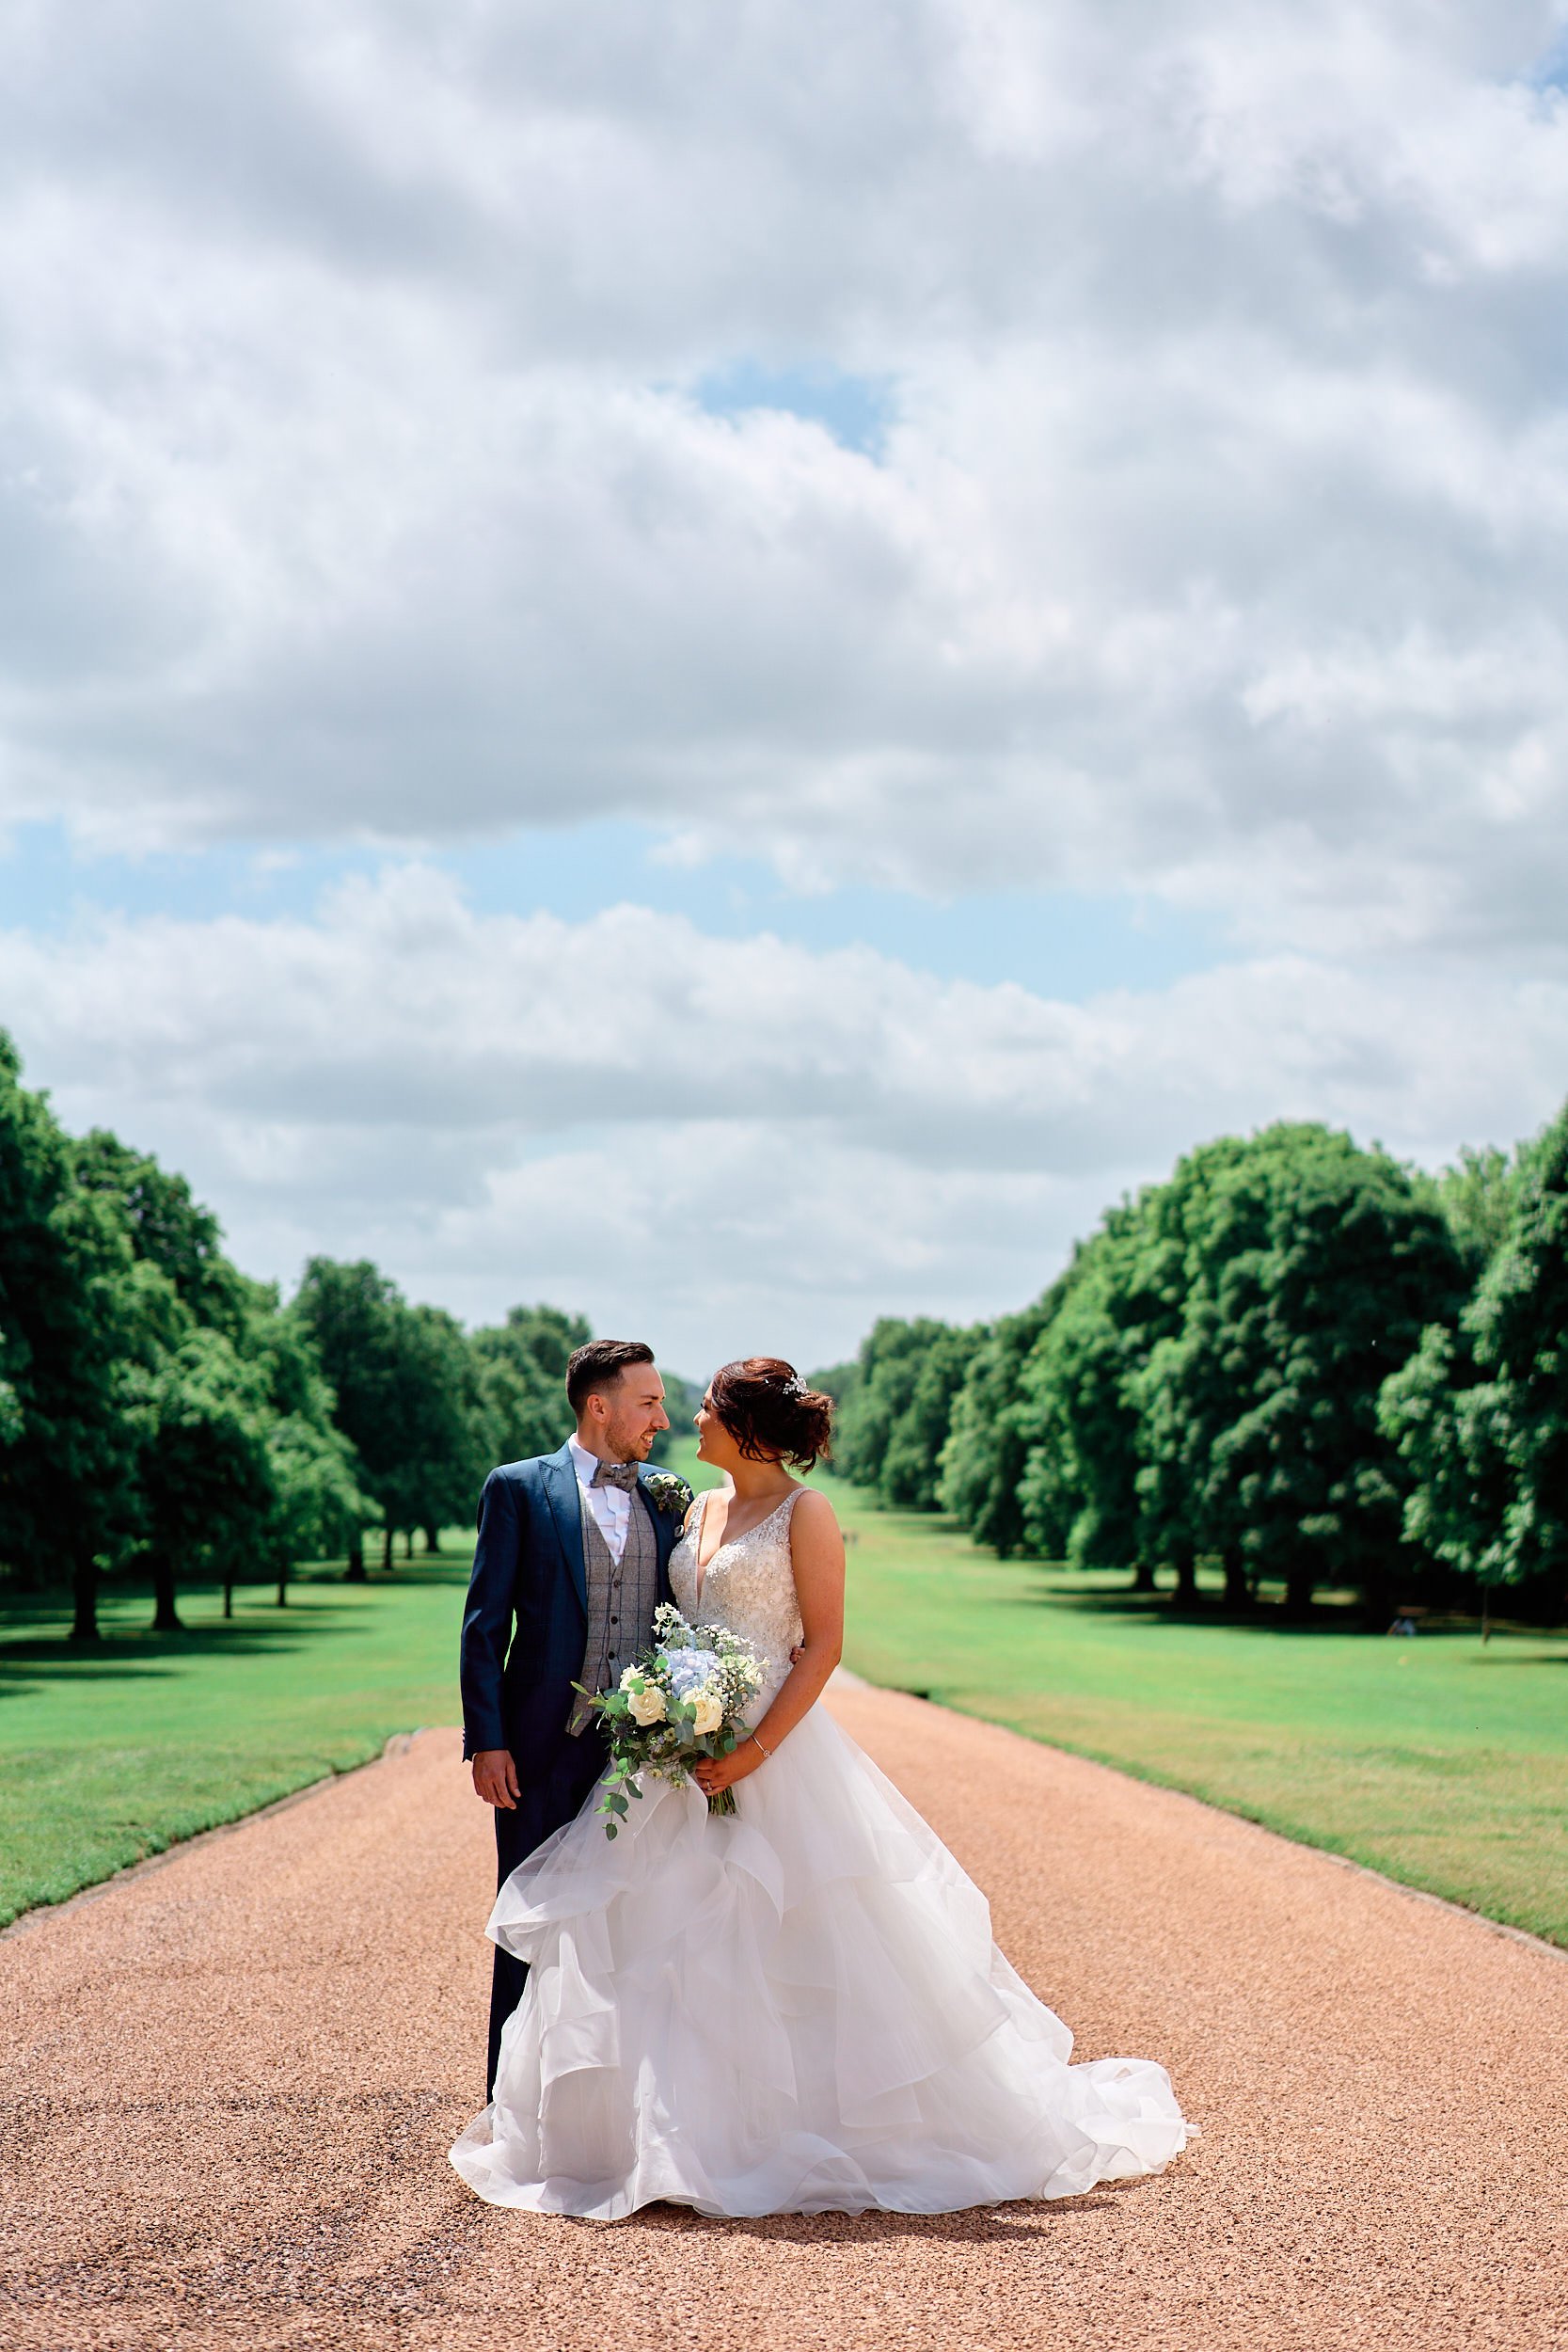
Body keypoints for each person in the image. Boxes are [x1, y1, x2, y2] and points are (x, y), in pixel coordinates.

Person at [451, 1356, 1195, 2218]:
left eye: (699, 1411)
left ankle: (780, 2131)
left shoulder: (795, 1512)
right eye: (661, 1405)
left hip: (769, 1753)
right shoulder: (685, 1506)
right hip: (665, 1757)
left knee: (789, 1935)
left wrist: (755, 1750)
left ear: (746, 1426)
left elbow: (823, 1646)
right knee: (638, 1932)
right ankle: (625, 2128)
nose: (683, 1422)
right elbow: (575, 1616)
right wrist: (656, 1719)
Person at [458, 1338, 685, 2095]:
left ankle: (627, 2107)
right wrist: (487, 1742)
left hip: (643, 1758)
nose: (660, 1416)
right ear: (600, 1405)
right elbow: (484, 1626)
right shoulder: (519, 1488)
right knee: (528, 1920)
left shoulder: (666, 1494)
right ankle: (510, 2102)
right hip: (537, 1748)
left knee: (642, 1930)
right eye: (647, 1401)